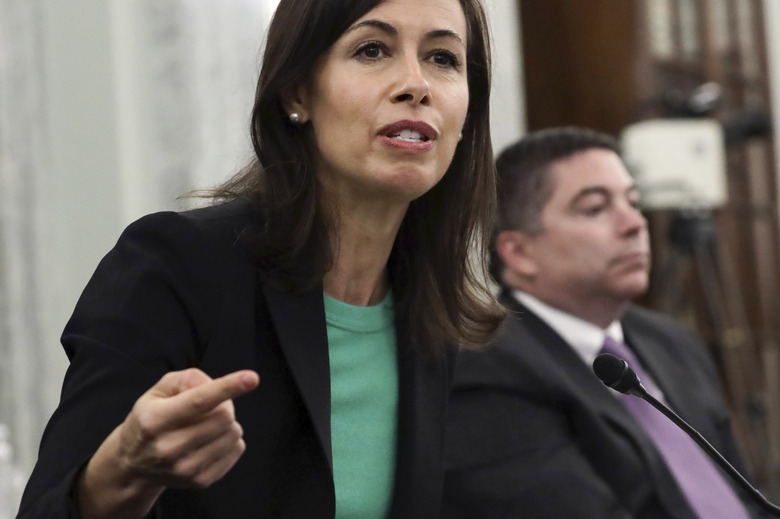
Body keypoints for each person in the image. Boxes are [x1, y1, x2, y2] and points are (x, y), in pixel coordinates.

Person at [17, 0, 504, 517]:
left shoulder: (445, 322)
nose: (416, 84)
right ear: (297, 93)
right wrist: (124, 472)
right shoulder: (176, 267)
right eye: (372, 49)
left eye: (444, 59)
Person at [442, 126, 771, 518]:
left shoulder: (673, 342)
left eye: (633, 202)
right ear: (519, 252)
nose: (635, 224)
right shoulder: (485, 369)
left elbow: (746, 499)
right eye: (595, 208)